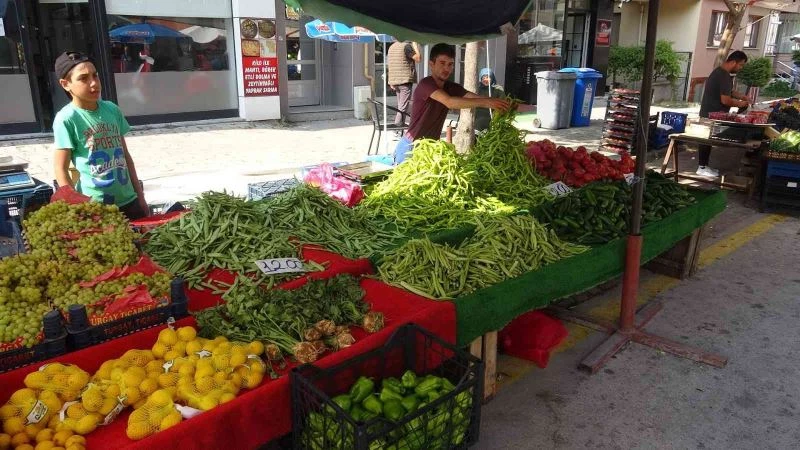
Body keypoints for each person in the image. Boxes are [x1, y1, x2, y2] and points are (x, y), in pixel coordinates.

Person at [52, 51, 149, 220]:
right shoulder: (66, 119)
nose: (93, 83)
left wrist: (140, 196)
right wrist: (76, 207)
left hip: (129, 201)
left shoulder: (112, 109)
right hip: (95, 208)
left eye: (95, 76)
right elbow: (61, 169)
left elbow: (126, 156)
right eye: (83, 78)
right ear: (65, 84)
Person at [394, 43, 510, 164]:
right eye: (442, 63)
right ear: (431, 64)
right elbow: (449, 102)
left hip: (430, 149)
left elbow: (475, 98)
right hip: (411, 148)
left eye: (450, 64)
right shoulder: (426, 84)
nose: (447, 69)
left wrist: (499, 103)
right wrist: (487, 103)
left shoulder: (451, 87)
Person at [697, 50, 751, 177]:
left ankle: (704, 166)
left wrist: (743, 96)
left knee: (708, 140)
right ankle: (702, 167)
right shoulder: (723, 75)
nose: (740, 68)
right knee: (705, 141)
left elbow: (730, 92)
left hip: (710, 112)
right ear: (733, 62)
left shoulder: (720, 73)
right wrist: (741, 104)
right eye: (741, 65)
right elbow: (725, 100)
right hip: (711, 113)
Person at [387, 40, 421, 132]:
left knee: (401, 106)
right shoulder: (406, 46)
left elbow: (390, 64)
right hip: (404, 80)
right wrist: (415, 45)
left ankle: (400, 130)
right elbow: (418, 58)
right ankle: (396, 131)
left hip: (395, 81)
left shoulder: (392, 47)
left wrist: (391, 81)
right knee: (403, 107)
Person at [474, 68, 505, 132]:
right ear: (480, 79)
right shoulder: (477, 89)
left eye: (488, 77)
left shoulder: (498, 88)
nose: (486, 80)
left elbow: (502, 102)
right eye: (483, 78)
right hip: (478, 114)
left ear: (492, 77)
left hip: (493, 113)